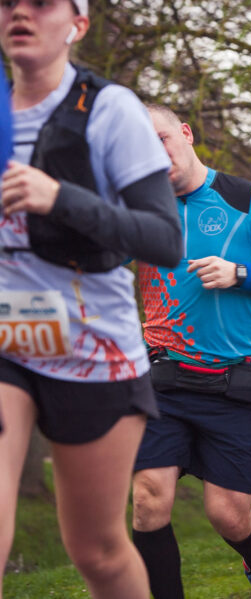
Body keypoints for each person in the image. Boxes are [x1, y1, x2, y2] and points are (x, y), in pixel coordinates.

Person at [0, 1, 182, 597]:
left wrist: (61, 199)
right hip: (6, 343)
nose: (20, 12)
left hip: (92, 348)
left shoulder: (109, 110)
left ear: (77, 24)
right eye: (8, 3)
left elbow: (164, 238)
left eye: (42, 3)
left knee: (99, 552)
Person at [131, 105, 251, 599]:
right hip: (163, 378)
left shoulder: (247, 199)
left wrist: (241, 274)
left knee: (227, 515)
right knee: (148, 502)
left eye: (162, 138)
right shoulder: (138, 211)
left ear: (186, 133)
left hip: (233, 383)